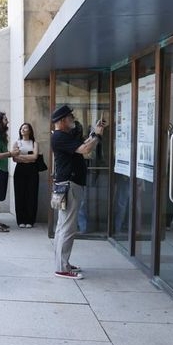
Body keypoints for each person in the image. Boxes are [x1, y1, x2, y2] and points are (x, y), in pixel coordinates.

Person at [50, 105, 106, 279]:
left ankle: (63, 262)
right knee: (67, 227)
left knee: (63, 226)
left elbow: (82, 146)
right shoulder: (59, 136)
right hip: (69, 185)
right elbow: (86, 149)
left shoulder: (64, 136)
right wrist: (96, 135)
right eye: (70, 117)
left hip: (68, 184)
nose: (72, 118)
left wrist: (94, 135)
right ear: (62, 121)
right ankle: (62, 268)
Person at [12, 122, 40, 228]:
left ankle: (30, 220)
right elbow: (15, 158)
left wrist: (22, 157)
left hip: (32, 171)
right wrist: (28, 158)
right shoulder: (17, 143)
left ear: (30, 130)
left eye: (25, 128)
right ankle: (21, 220)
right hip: (20, 170)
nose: (23, 130)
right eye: (21, 128)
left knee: (31, 194)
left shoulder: (34, 143)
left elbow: (35, 157)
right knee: (20, 194)